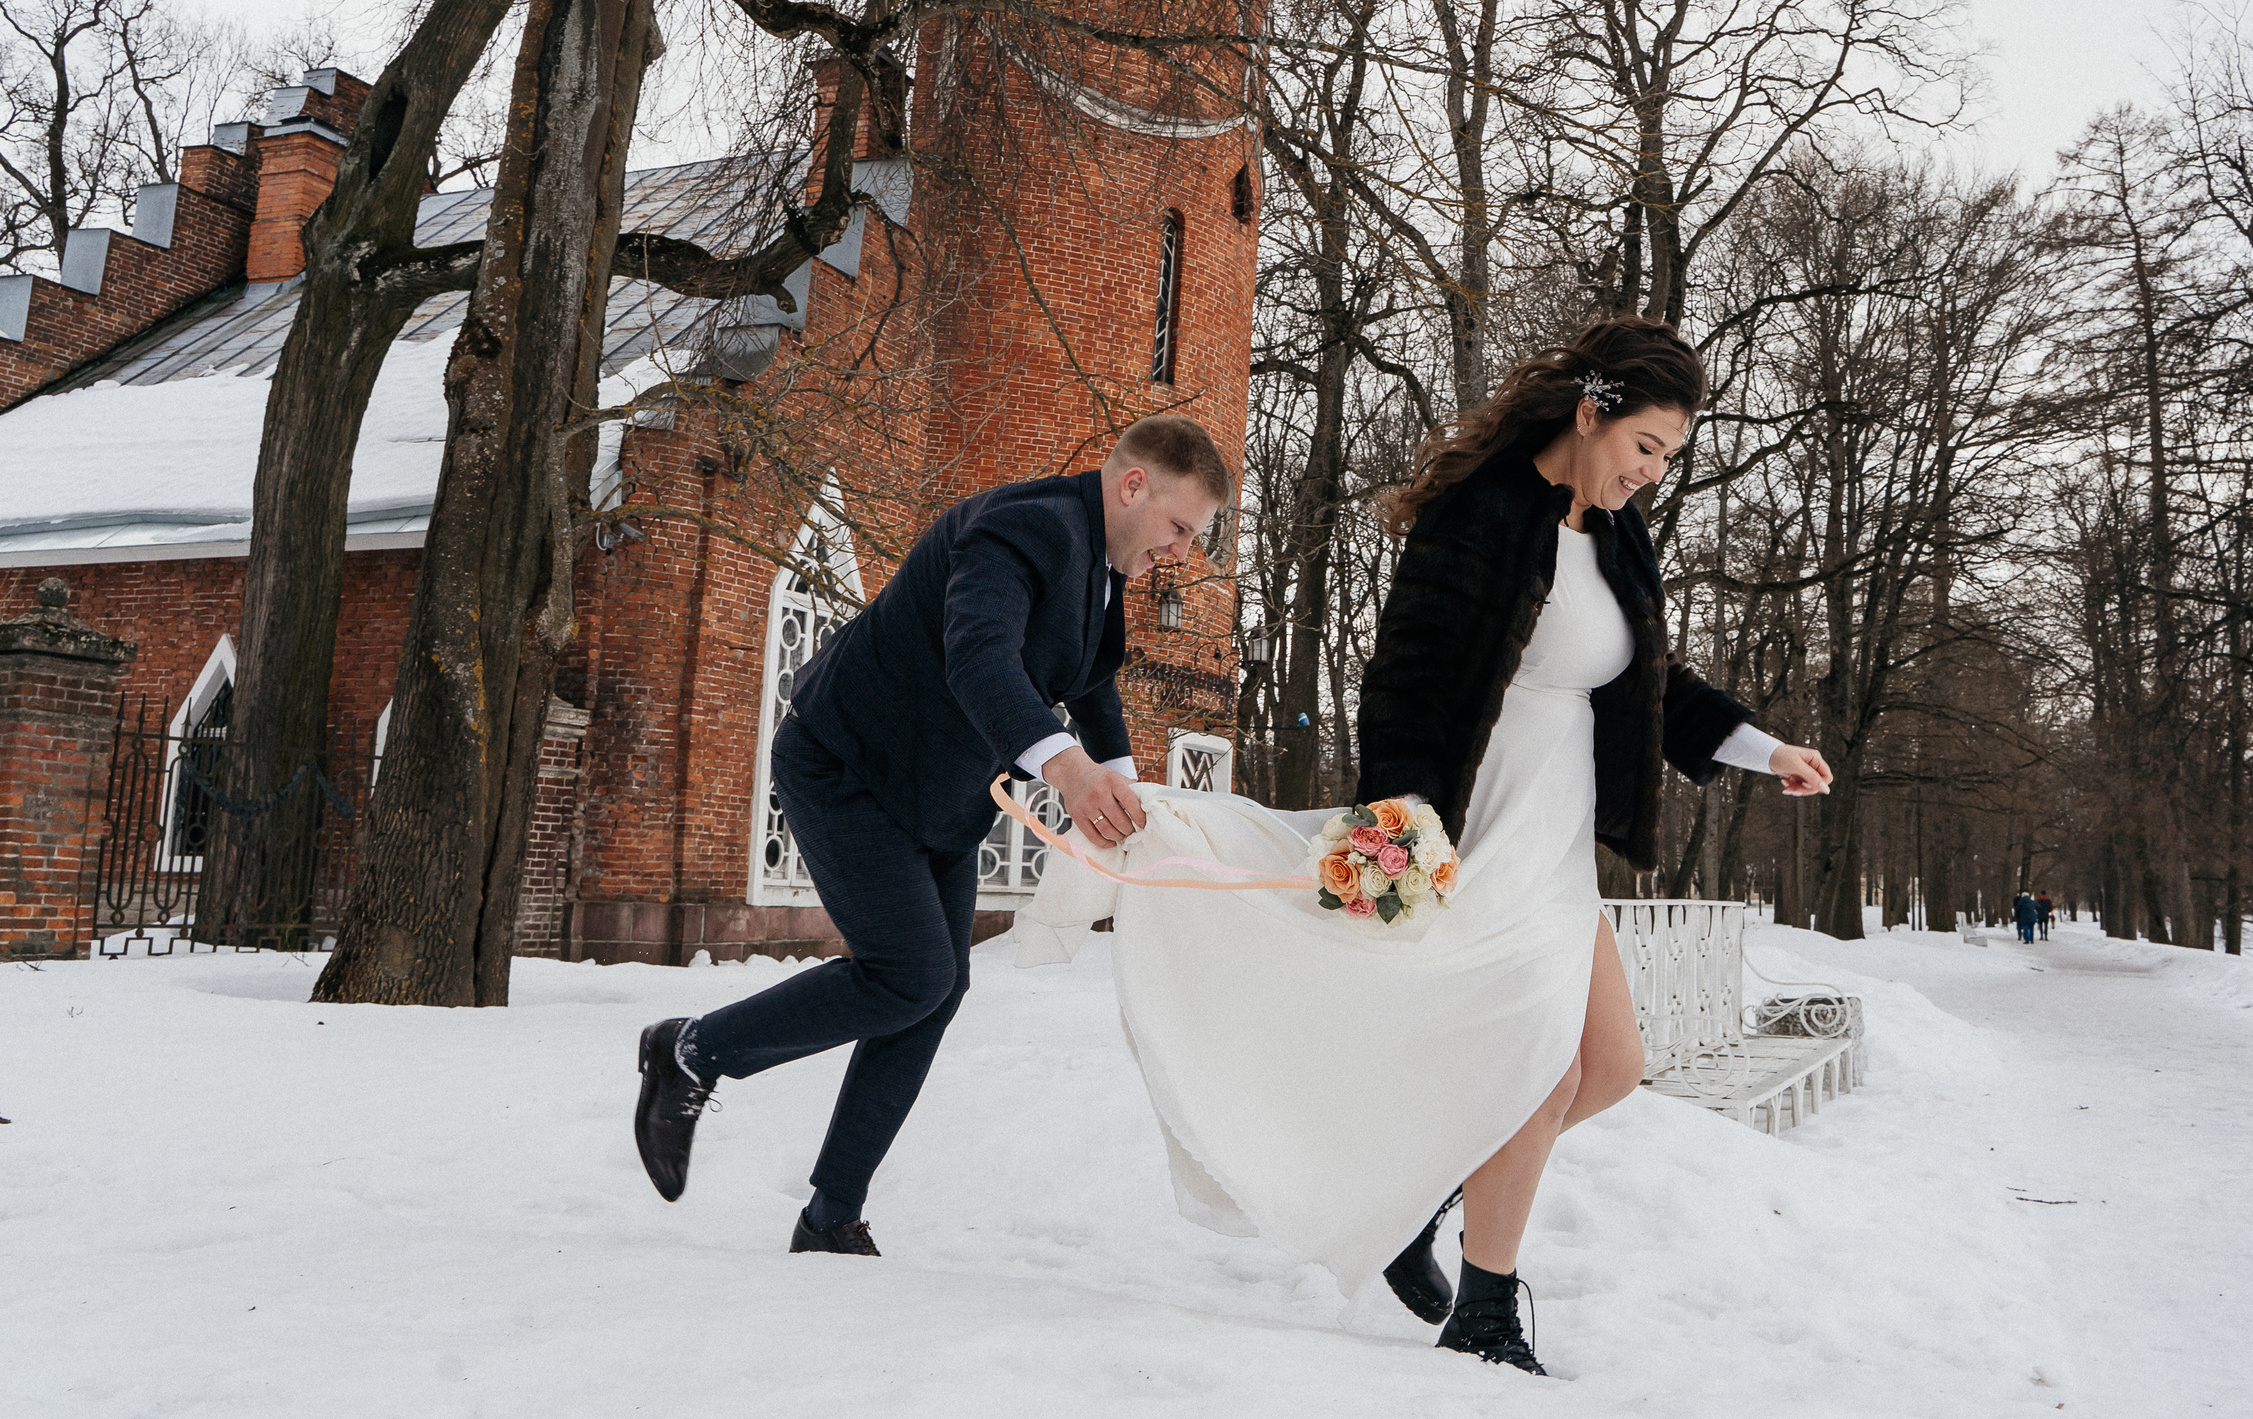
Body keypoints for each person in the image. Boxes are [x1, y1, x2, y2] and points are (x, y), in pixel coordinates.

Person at [1086, 317, 1834, 1375]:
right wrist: (1400, 819)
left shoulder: (1619, 535)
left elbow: (1652, 684)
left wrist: (1763, 748)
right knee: (1534, 1067)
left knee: (1611, 1066)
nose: (1651, 473)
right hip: (1478, 819)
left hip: (1557, 833)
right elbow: (1407, 675)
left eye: (1669, 456)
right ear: (1593, 412)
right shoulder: (1480, 510)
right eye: (1646, 446)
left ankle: (1419, 1200)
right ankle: (1484, 1314)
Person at [630, 416, 1230, 1253]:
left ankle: (829, 1217)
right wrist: (1068, 771)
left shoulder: (1101, 567)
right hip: (848, 764)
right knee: (910, 973)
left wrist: (1129, 788)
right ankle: (692, 1050)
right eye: (1180, 527)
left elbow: (1089, 678)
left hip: (940, 796)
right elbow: (978, 656)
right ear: (1134, 485)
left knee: (934, 992)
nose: (1181, 552)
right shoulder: (1024, 528)